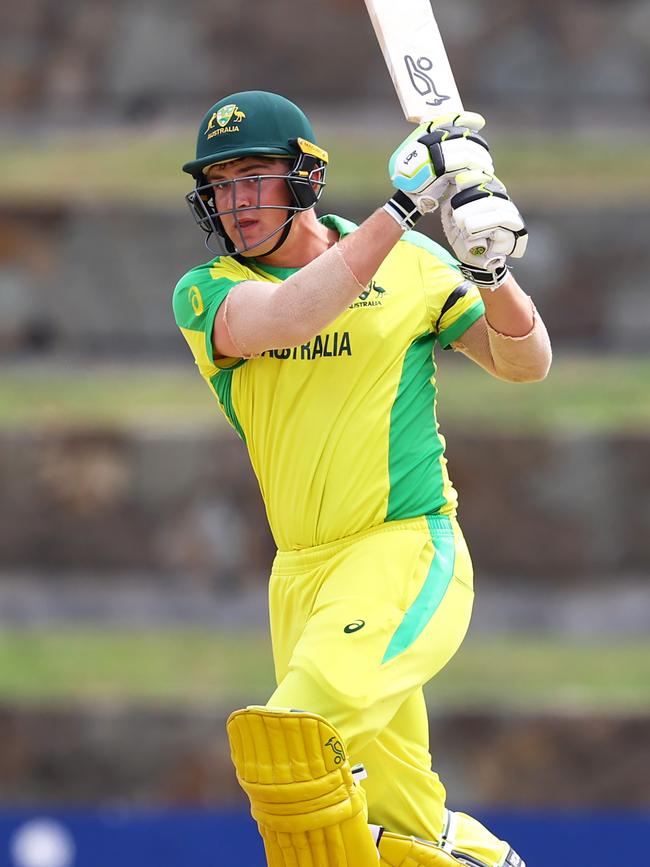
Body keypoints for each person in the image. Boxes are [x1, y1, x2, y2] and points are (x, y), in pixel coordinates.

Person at [173, 90, 551, 867]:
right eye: (222, 184)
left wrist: (493, 269)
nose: (237, 202)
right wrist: (408, 204)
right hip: (302, 579)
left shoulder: (414, 267)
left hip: (402, 551)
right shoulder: (206, 291)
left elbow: (526, 362)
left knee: (290, 747)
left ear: (305, 178)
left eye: (255, 177)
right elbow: (290, 318)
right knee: (404, 830)